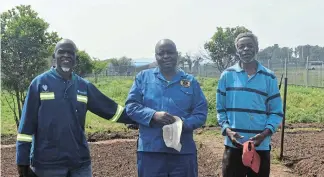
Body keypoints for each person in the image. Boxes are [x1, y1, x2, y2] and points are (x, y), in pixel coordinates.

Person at [16, 39, 128, 177]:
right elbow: (25, 128)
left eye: (71, 53)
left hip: (80, 164)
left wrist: (144, 117)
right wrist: (22, 165)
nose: (66, 55)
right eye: (61, 52)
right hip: (47, 165)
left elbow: (111, 110)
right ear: (54, 57)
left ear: (75, 58)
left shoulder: (83, 86)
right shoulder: (39, 84)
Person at [125, 39, 208, 177]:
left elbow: (201, 113)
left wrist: (181, 124)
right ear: (156, 56)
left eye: (170, 52)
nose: (165, 56)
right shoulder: (143, 78)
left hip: (183, 151)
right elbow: (131, 106)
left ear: (177, 55)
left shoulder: (190, 82)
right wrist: (153, 115)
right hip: (151, 151)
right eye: (161, 53)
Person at [216, 32, 283, 177]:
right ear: (237, 50)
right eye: (242, 46)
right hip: (233, 145)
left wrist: (264, 134)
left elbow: (276, 112)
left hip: (261, 146)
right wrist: (228, 131)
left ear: (257, 48)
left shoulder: (269, 77)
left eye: (250, 46)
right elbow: (220, 109)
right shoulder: (227, 75)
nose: (246, 49)